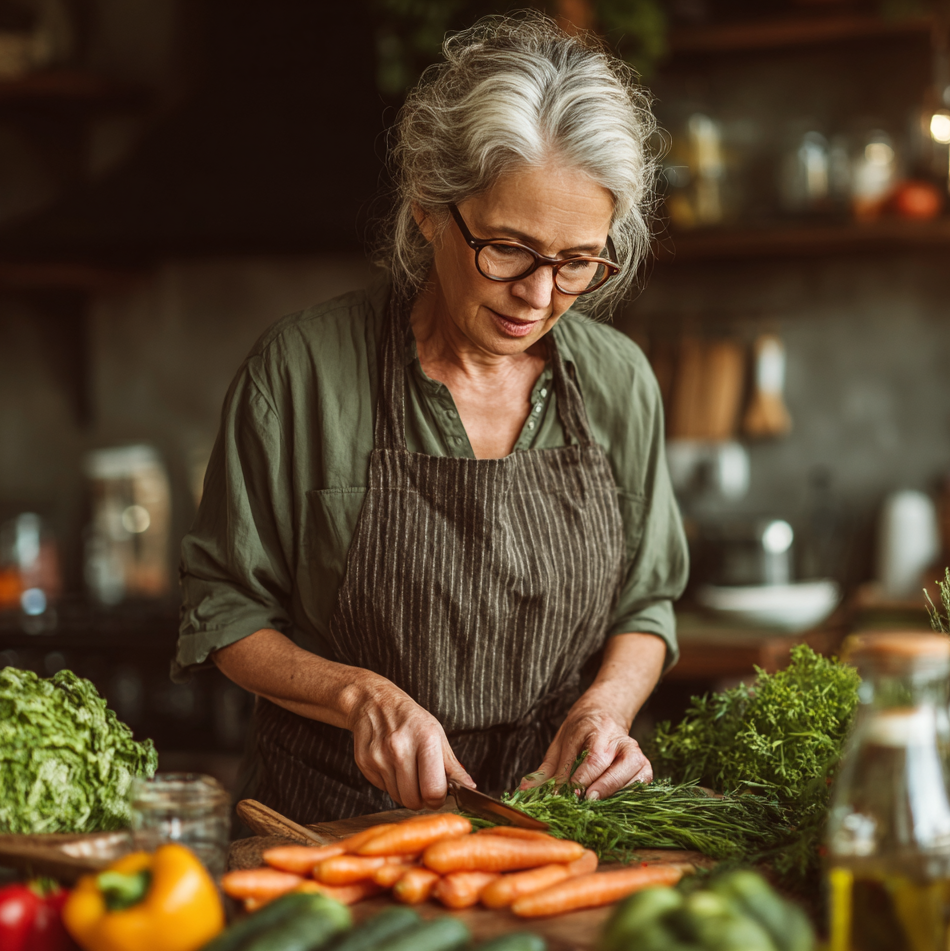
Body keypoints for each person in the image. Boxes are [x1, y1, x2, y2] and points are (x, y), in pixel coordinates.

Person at [173, 13, 688, 825]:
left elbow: (646, 607)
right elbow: (226, 611)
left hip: (546, 824)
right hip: (331, 825)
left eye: (579, 261)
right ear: (426, 207)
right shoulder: (302, 374)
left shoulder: (620, 382)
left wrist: (607, 710)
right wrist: (359, 696)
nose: (540, 294)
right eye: (510, 248)